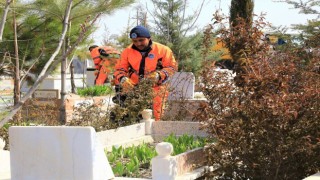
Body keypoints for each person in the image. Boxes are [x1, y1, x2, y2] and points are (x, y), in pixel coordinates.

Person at [114, 25, 177, 121]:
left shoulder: (163, 50)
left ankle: (157, 132)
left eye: (141, 40)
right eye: (135, 41)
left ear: (149, 38)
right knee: (129, 114)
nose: (138, 43)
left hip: (157, 86)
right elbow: (119, 69)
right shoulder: (127, 52)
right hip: (133, 86)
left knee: (158, 114)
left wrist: (159, 75)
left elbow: (171, 67)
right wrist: (123, 79)